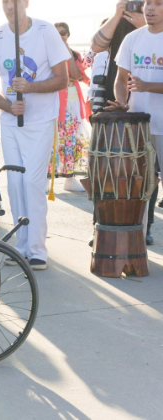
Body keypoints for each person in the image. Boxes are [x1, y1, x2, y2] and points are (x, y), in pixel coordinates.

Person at [0, 0, 69, 270]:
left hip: (41, 121)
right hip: (10, 122)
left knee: (32, 182)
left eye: (15, 2)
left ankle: (38, 249)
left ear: (26, 2)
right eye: (5, 2)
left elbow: (62, 79)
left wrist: (29, 88)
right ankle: (21, 246)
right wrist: (9, 106)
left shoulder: (45, 31)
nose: (10, 6)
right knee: (15, 184)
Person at [105, 0, 163, 246]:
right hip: (137, 126)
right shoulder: (132, 39)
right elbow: (120, 79)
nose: (150, 8)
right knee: (140, 186)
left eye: (158, 4)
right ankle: (137, 239)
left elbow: (142, 84)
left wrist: (148, 86)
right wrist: (123, 102)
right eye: (148, 3)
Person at [49, 22, 90, 193]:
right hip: (53, 102)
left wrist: (66, 50)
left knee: (70, 140)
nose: (60, 36)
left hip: (72, 104)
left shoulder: (74, 54)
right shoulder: (47, 53)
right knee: (51, 140)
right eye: (56, 33)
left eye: (63, 33)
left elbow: (75, 74)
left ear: (68, 34)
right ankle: (46, 178)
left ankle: (69, 178)